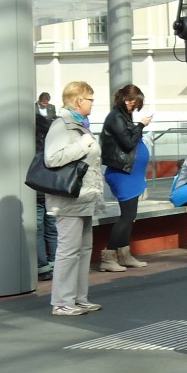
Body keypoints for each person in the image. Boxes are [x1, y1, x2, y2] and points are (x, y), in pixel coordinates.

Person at [44, 81, 107, 317]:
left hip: (84, 198)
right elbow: (53, 158)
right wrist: (83, 144)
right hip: (70, 199)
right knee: (69, 250)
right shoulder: (63, 126)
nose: (93, 103)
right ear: (78, 100)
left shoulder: (79, 125)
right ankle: (62, 301)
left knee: (83, 249)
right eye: (90, 98)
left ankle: (78, 299)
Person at [99, 84, 153, 272]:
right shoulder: (115, 117)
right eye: (130, 100)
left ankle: (124, 254)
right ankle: (108, 257)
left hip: (131, 174)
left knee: (130, 216)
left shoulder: (123, 116)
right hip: (123, 174)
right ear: (121, 98)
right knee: (127, 215)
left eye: (135, 102)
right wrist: (141, 125)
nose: (131, 105)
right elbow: (129, 143)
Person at [34, 98, 58, 281]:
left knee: (37, 227)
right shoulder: (49, 141)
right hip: (50, 187)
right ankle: (55, 262)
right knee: (51, 226)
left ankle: (42, 266)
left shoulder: (27, 146)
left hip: (34, 189)